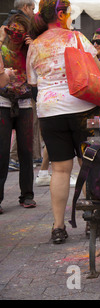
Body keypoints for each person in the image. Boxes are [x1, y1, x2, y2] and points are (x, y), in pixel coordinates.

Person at [27, 0, 100, 243]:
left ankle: (58, 226)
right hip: (82, 108)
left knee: (59, 168)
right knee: (87, 163)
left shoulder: (35, 45)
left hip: (49, 111)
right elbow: (96, 67)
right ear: (61, 15)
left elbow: (33, 80)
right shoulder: (76, 38)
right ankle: (94, 220)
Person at [0, 14, 36, 214]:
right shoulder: (1, 48)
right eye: (12, 30)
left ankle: (27, 194)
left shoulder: (28, 50)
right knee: (2, 152)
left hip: (23, 104)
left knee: (26, 152)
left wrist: (33, 48)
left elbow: (37, 72)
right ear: (7, 30)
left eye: (20, 32)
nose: (16, 35)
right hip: (2, 103)